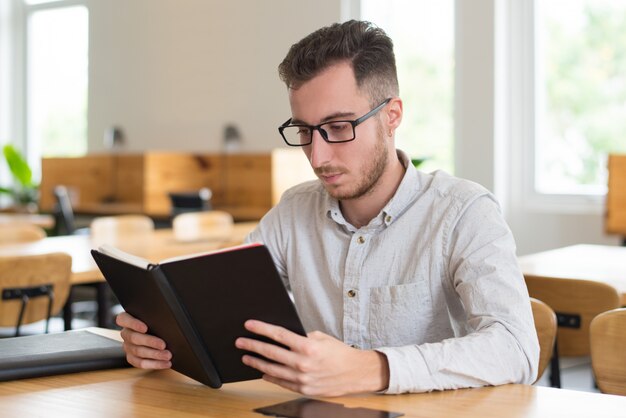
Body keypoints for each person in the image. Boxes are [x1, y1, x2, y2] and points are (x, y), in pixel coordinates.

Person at [117, 20, 539, 396]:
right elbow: (216, 304)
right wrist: (166, 337)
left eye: (339, 128)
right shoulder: (293, 211)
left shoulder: (464, 212)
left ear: (392, 116)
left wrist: (373, 369)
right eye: (304, 131)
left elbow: (517, 349)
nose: (317, 157)